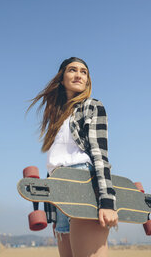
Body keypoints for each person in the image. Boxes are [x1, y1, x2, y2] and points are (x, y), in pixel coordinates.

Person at [27, 57, 118, 257]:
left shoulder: (92, 106)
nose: (78, 75)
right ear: (61, 78)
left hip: (83, 185)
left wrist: (107, 202)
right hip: (58, 192)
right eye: (72, 70)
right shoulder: (57, 117)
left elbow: (100, 155)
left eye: (83, 72)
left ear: (87, 80)